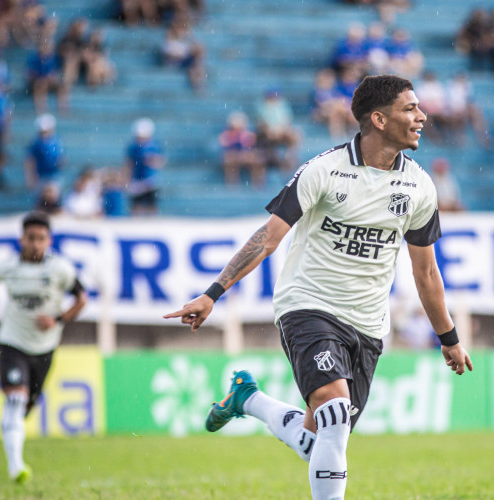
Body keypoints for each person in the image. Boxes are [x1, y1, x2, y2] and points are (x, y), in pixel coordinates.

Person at [164, 75, 473, 500]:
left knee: (320, 439)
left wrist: (449, 338)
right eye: (410, 108)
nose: (421, 116)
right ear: (379, 119)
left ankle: (248, 400)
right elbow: (268, 238)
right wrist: (212, 293)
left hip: (367, 325)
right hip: (308, 306)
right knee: (334, 415)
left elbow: (426, 274)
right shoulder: (324, 170)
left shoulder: (419, 186)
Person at [0, 211, 87, 483]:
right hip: (12, 343)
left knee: (24, 408)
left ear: (49, 241)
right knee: (15, 399)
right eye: (31, 238)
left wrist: (58, 319)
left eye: (41, 239)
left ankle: (12, 442)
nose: (35, 244)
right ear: (21, 238)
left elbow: (82, 299)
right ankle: (16, 466)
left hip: (45, 349)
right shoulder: (6, 266)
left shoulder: (60, 269)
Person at [122, 117, 165, 215]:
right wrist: (126, 179)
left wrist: (153, 161)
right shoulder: (133, 147)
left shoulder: (154, 146)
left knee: (151, 207)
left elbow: (160, 162)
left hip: (150, 181)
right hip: (137, 181)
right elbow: (129, 164)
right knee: (136, 207)